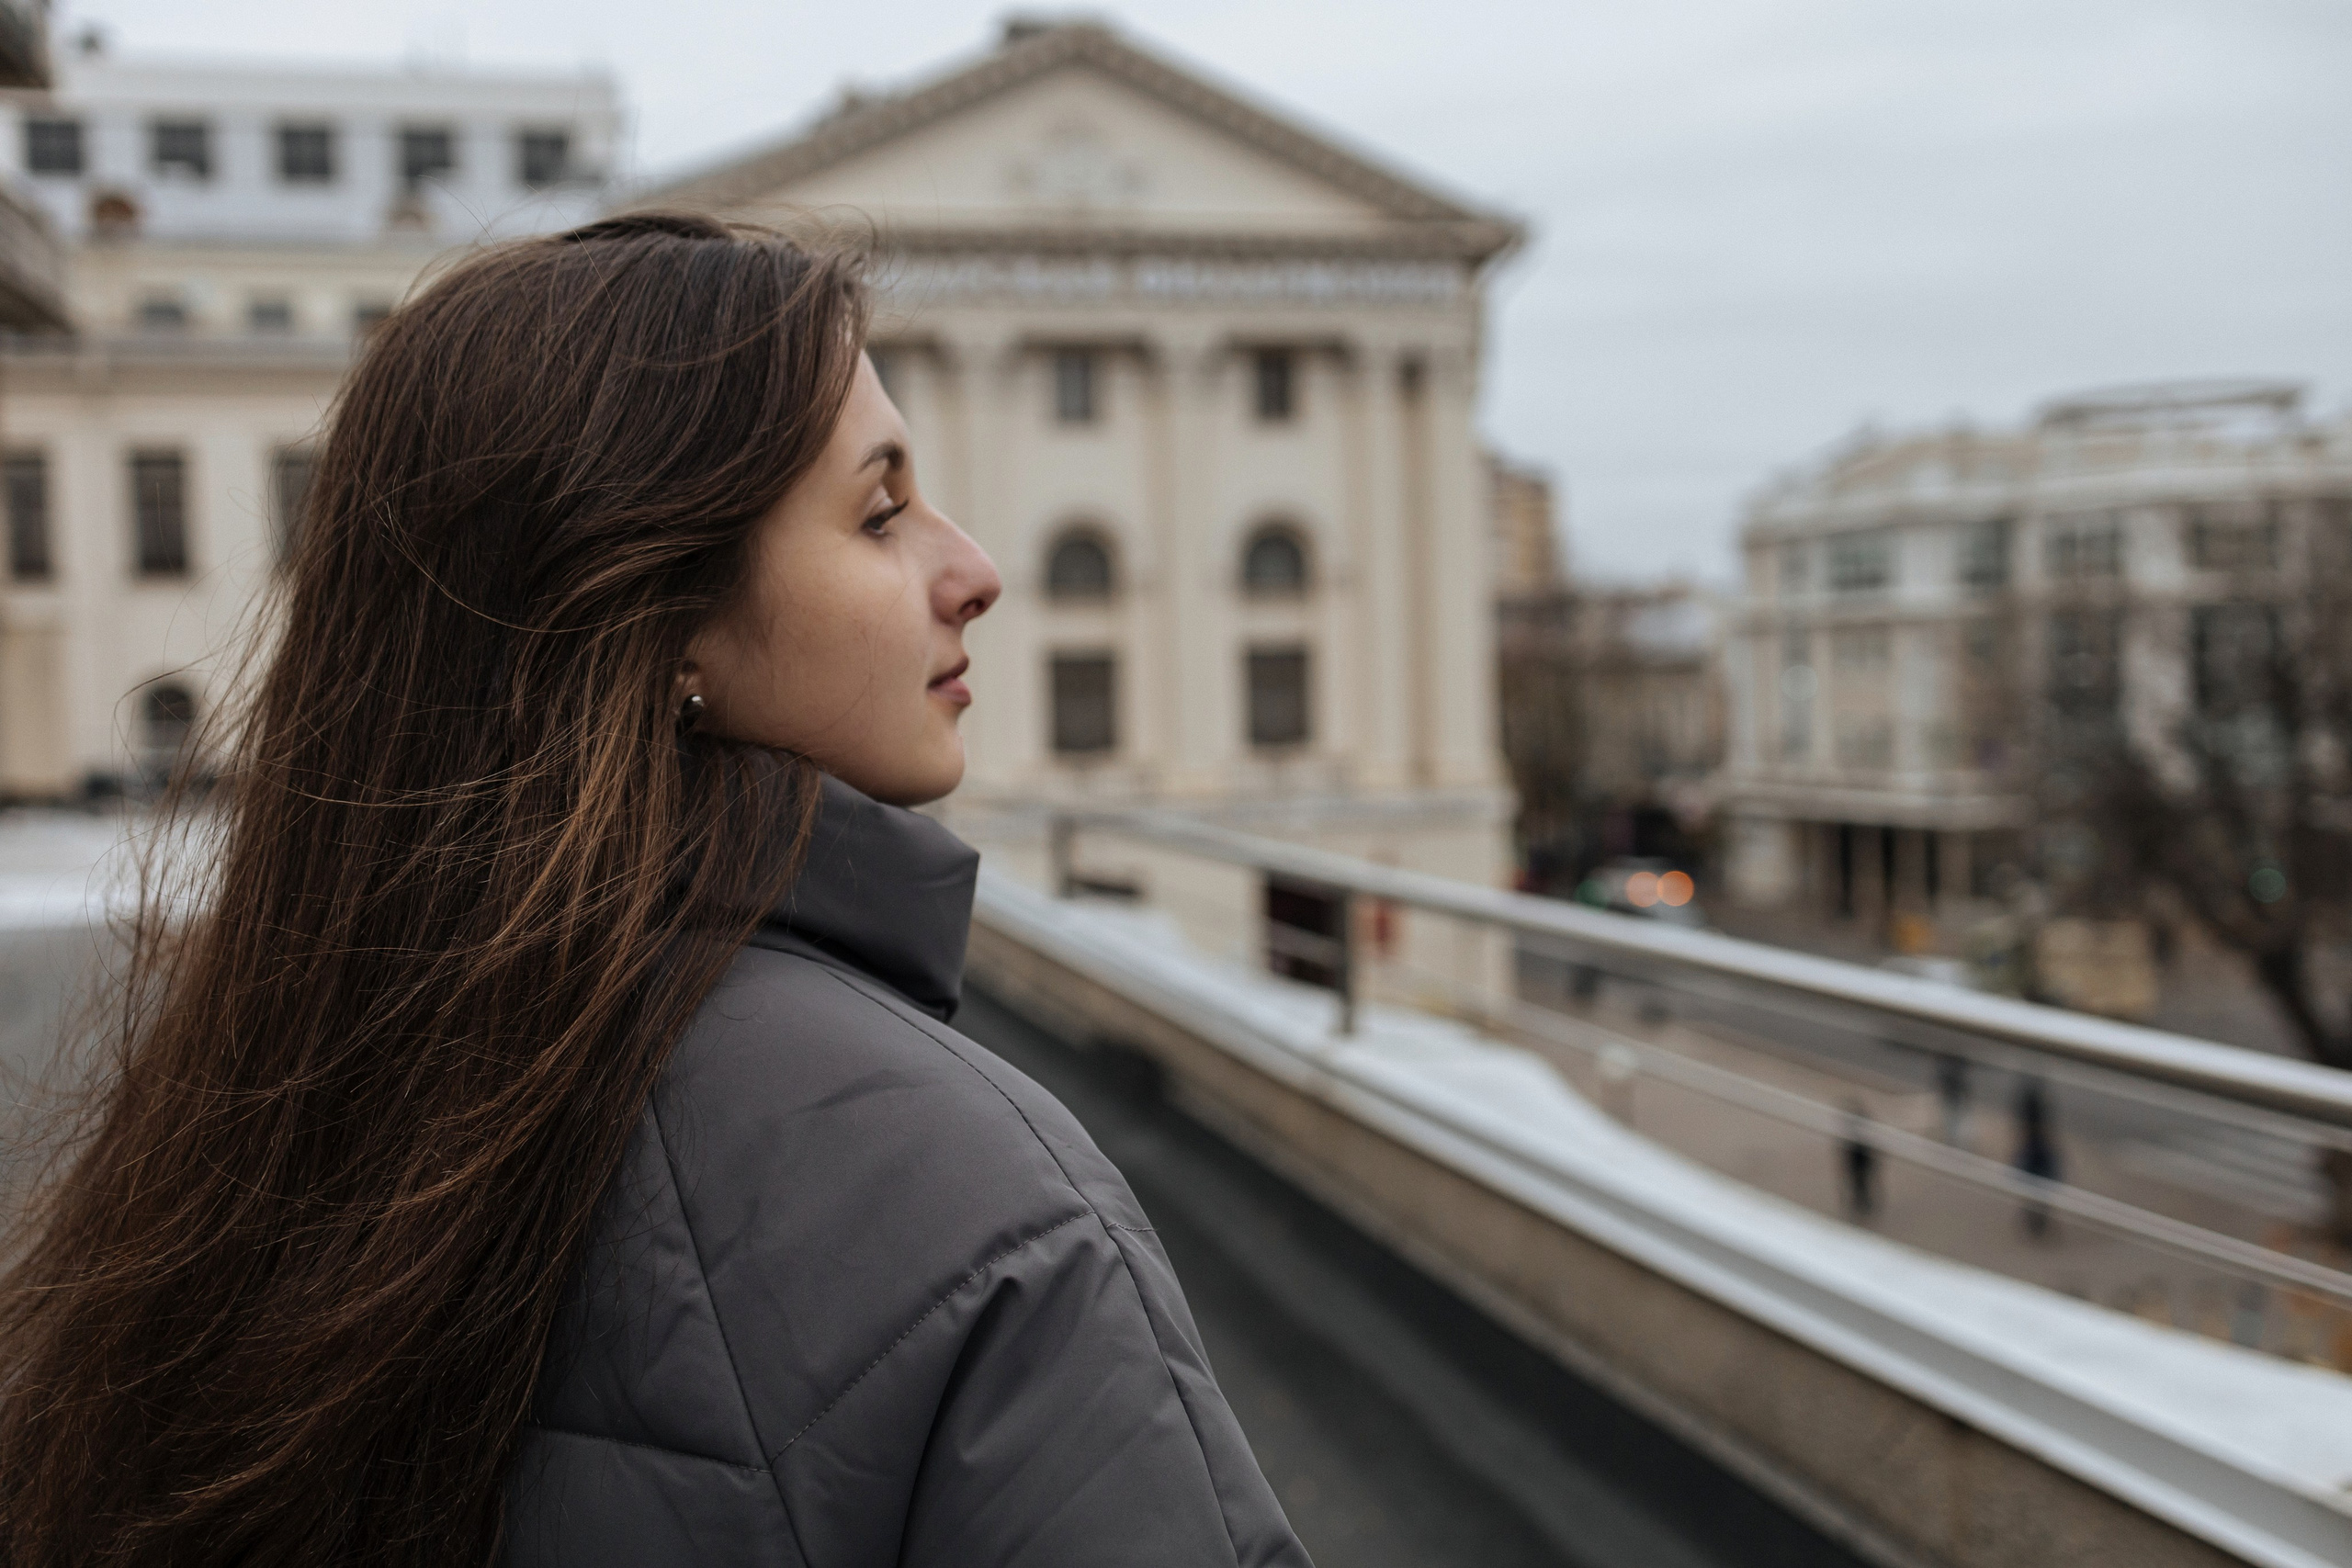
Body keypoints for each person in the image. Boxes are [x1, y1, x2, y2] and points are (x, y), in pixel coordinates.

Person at [0, 215, 1310, 1568]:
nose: (974, 573)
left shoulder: (231, 1128)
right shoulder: (985, 1200)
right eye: (880, 512)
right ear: (659, 613)